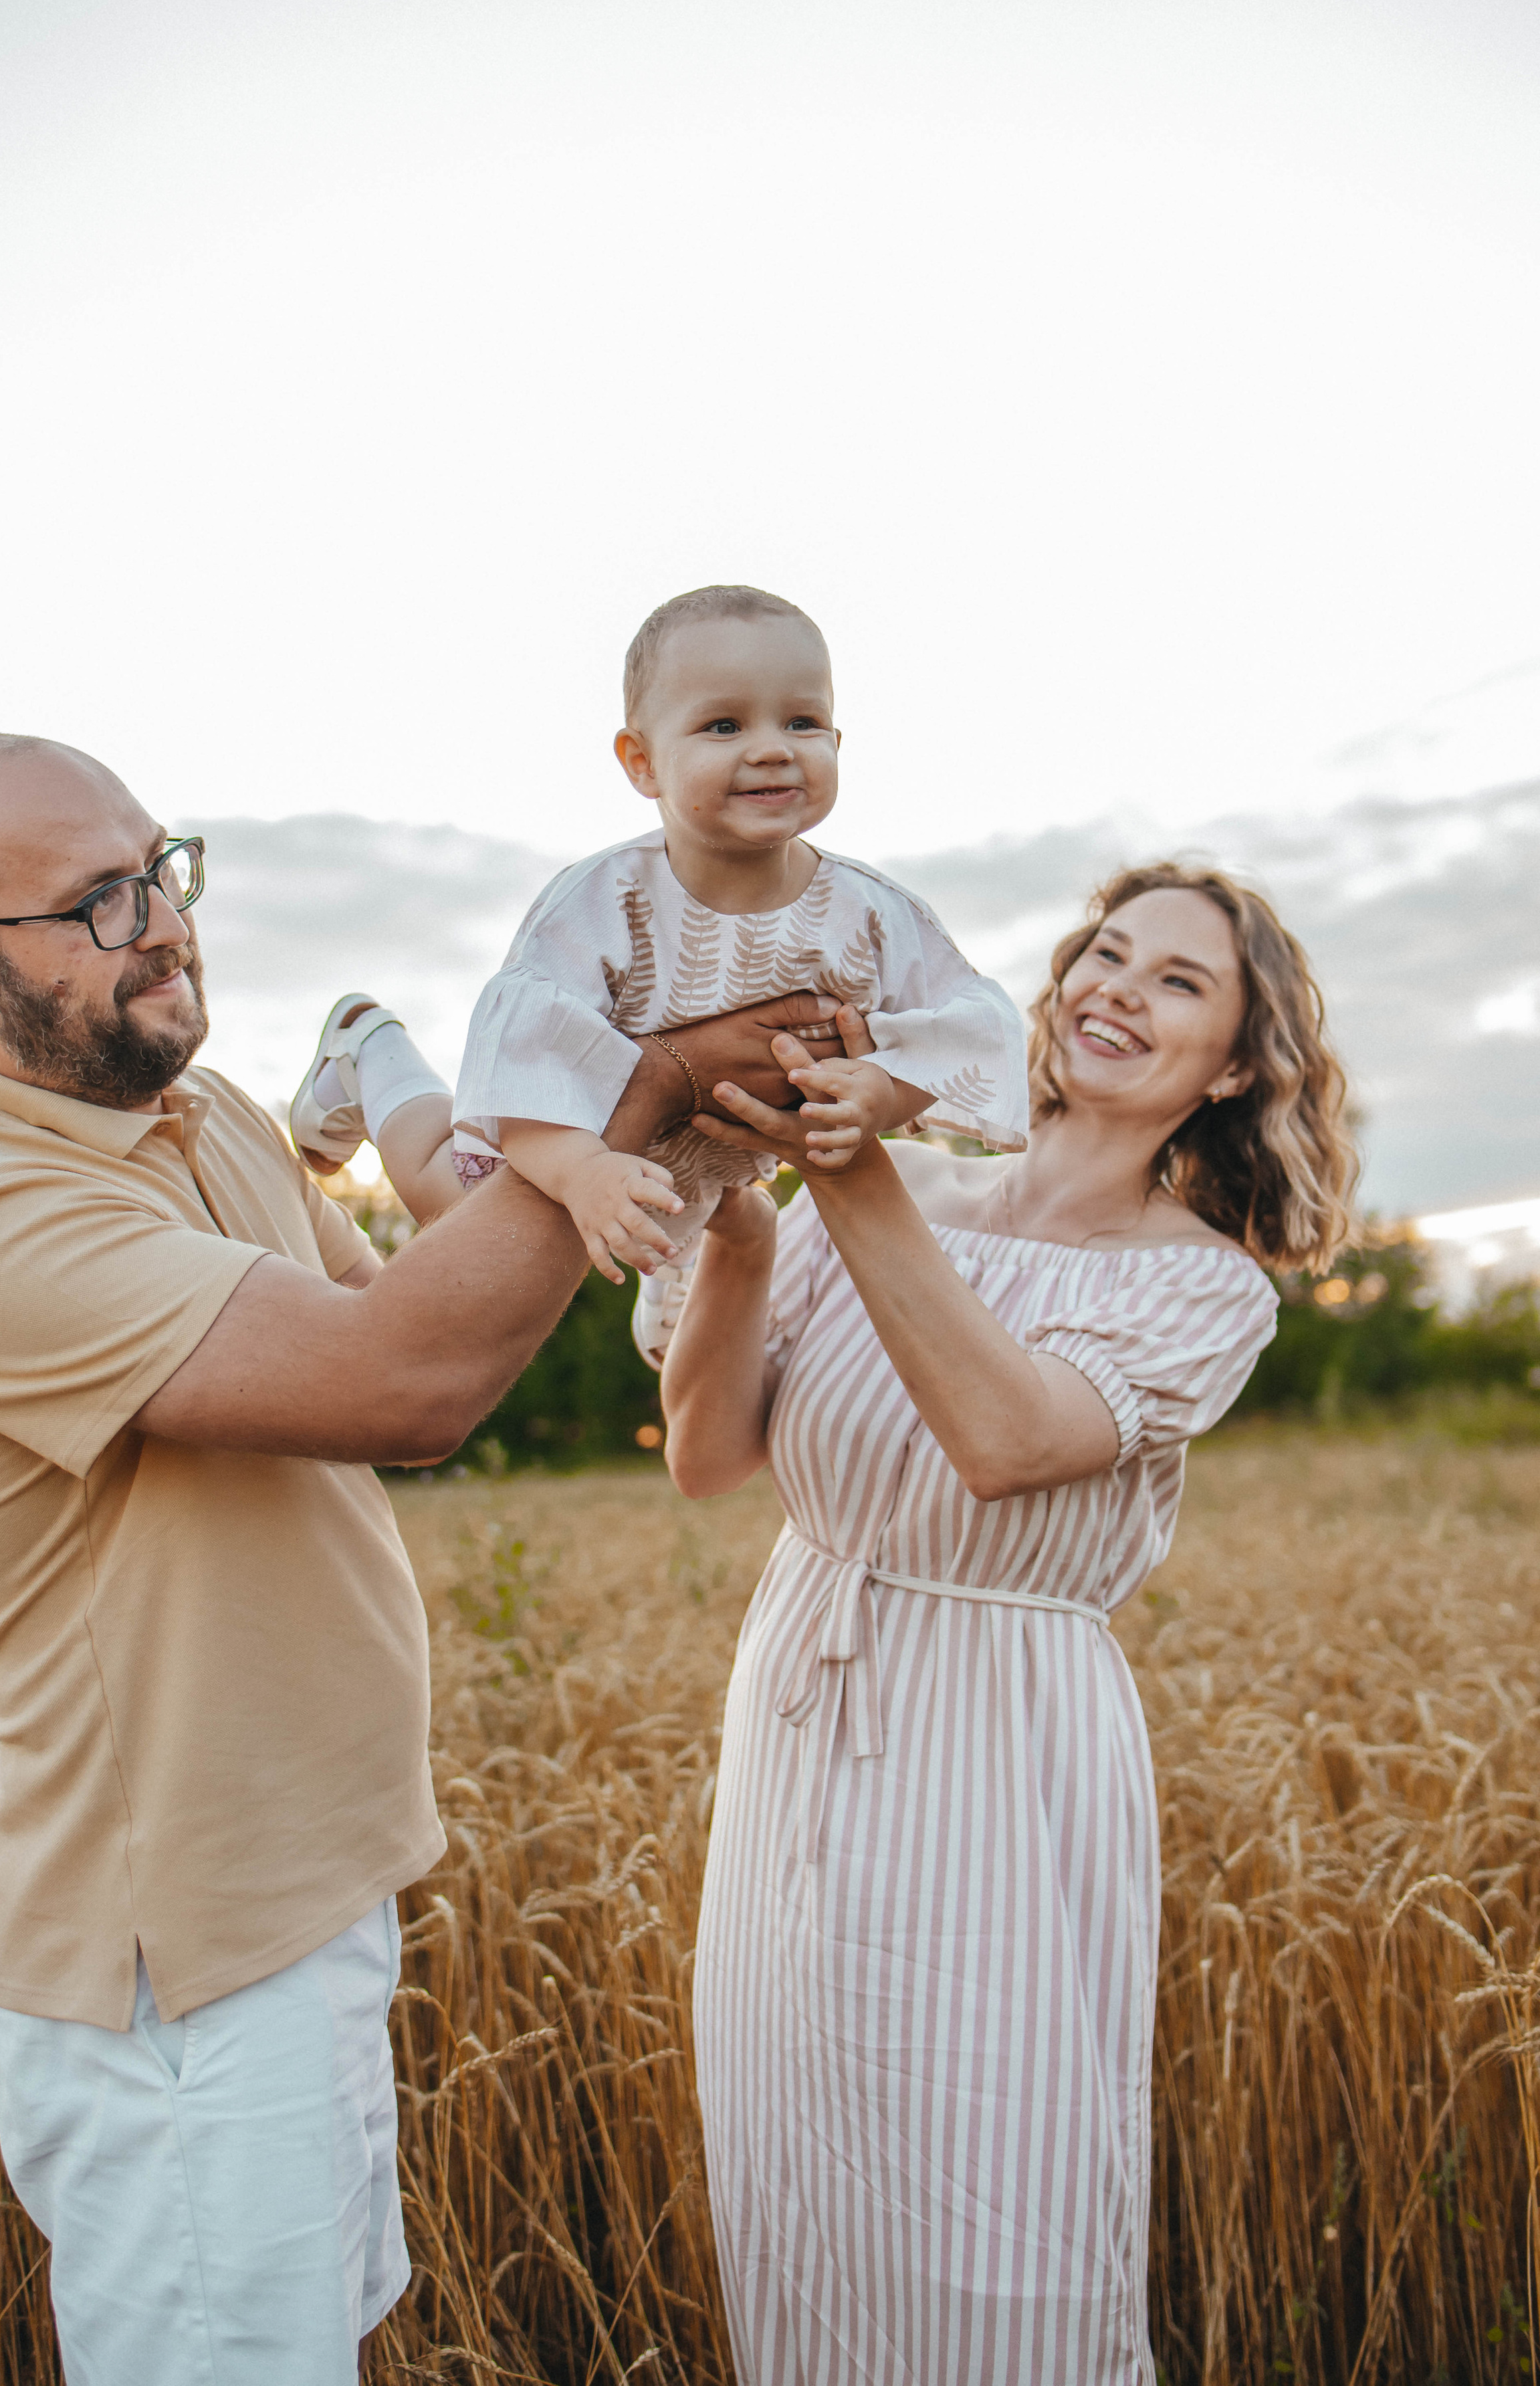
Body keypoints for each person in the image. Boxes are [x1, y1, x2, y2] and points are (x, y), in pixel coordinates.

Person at [0, 730, 844, 2386]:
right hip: (176, 1968)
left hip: (304, 1898)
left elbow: (422, 1313)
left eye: (162, 869)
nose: (165, 924)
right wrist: (647, 1084)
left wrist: (626, 1144)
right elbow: (406, 1378)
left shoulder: (208, 1124)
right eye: (98, 903)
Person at [637, 862, 1357, 2385]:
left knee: (994, 2164)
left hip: (999, 1742)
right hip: (799, 1699)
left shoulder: (1204, 1290)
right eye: (1107, 954)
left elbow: (1009, 1438)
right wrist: (749, 1244)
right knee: (793, 2153)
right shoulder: (893, 1184)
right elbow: (708, 1457)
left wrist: (850, 1169)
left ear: (1234, 1067)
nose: (1119, 990)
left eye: (1177, 981)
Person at [287, 585, 1028, 1278]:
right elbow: (524, 1063)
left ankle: (689, 1274)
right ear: (642, 763)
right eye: (724, 725)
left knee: (679, 1248)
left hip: (708, 1168)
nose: (773, 748)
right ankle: (372, 1051)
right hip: (569, 1139)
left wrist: (883, 1094)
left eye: (801, 722)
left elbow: (970, 1026)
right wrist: (582, 1171)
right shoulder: (605, 904)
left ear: (838, 738)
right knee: (463, 1216)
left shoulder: (871, 913)